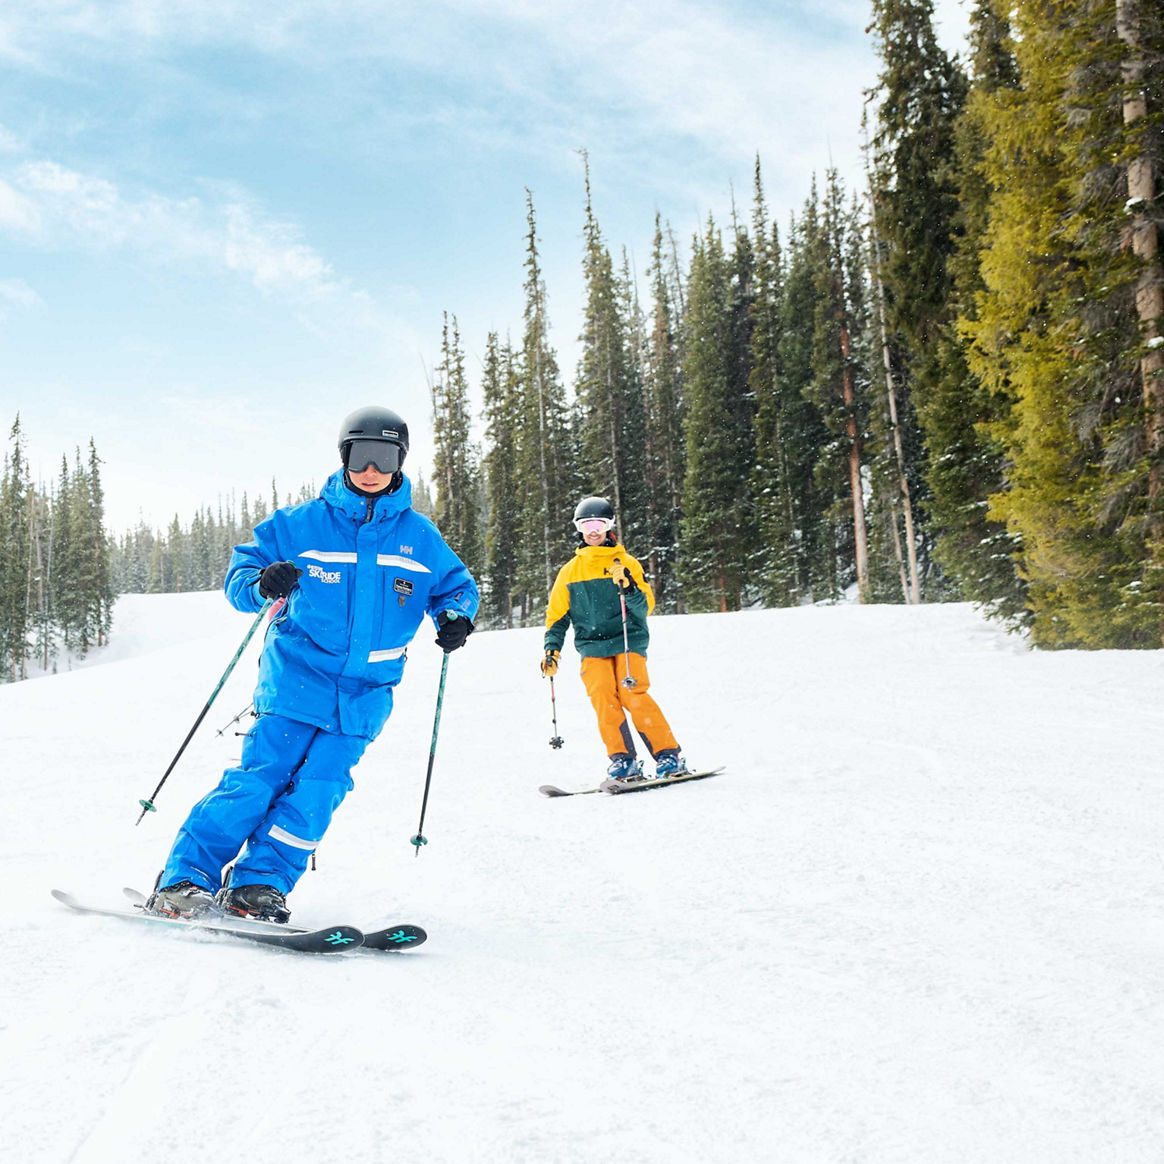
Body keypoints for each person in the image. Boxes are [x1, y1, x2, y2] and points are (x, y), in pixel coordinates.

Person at [148, 405, 478, 922]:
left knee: (318, 795)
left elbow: (454, 586)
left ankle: (260, 885)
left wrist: (456, 615)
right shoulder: (301, 525)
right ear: (344, 456)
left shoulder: (419, 537)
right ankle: (185, 879)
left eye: (384, 456)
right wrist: (262, 585)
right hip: (296, 684)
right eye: (360, 455)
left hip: (365, 697)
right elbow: (243, 573)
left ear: (400, 461)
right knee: (259, 781)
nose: (371, 468)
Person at [541, 496, 684, 783]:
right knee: (603, 698)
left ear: (609, 526)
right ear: (579, 528)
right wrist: (551, 650)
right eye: (587, 524)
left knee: (632, 694)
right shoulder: (569, 572)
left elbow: (645, 607)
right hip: (592, 646)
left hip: (628, 640)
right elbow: (557, 616)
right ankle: (623, 760)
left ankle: (668, 755)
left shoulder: (626, 563)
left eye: (600, 523)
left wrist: (629, 586)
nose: (594, 530)